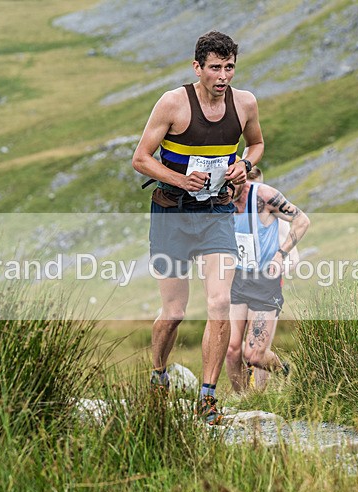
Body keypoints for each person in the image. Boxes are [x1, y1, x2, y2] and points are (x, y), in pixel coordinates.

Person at [132, 31, 264, 424]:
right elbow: (141, 159)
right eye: (215, 68)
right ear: (197, 67)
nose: (223, 76)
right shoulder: (173, 103)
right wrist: (177, 179)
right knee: (174, 312)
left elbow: (256, 145)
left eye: (229, 68)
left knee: (220, 302)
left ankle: (207, 396)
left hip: (217, 213)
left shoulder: (245, 104)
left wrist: (245, 165)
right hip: (172, 212)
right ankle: (158, 376)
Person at [226, 165, 310, 392]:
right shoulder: (219, 198)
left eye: (230, 185)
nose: (225, 191)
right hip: (237, 280)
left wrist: (281, 255)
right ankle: (244, 402)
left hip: (265, 283)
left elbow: (302, 221)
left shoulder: (264, 197)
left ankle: (283, 370)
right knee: (231, 350)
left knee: (253, 355)